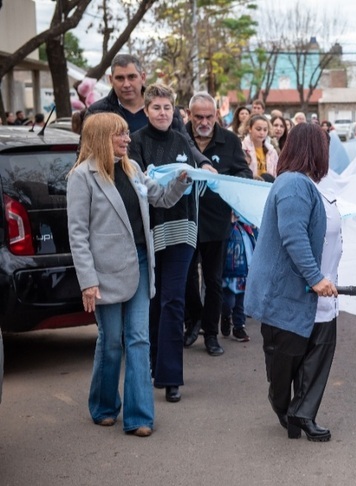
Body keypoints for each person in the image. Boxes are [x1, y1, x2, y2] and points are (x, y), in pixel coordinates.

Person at [66, 112, 190, 437]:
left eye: (126, 134)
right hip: (104, 272)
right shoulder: (82, 177)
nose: (127, 139)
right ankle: (104, 406)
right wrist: (88, 282)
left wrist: (181, 180)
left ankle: (139, 417)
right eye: (120, 135)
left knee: (138, 339)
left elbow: (161, 199)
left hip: (139, 262)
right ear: (102, 138)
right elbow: (77, 235)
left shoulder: (132, 169)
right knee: (111, 343)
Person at [244, 123, 342, 442]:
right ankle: (284, 405)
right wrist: (315, 278)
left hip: (322, 293)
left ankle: (303, 413)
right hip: (291, 292)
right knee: (284, 363)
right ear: (316, 149)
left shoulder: (313, 186)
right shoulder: (293, 184)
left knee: (318, 353)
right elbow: (293, 234)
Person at [128, 84, 205, 404]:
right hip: (150, 232)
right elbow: (136, 186)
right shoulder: (135, 143)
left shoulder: (182, 141)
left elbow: (198, 174)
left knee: (173, 299)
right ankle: (153, 363)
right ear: (146, 110)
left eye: (167, 108)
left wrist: (199, 172)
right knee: (154, 300)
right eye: (157, 107)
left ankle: (171, 377)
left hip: (183, 229)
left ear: (174, 111)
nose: (163, 113)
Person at [184, 92, 253, 356]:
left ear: (216, 116)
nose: (204, 121)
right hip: (184, 220)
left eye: (209, 116)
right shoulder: (180, 139)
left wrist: (226, 185)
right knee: (187, 279)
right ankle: (193, 321)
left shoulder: (230, 141)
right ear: (190, 115)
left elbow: (243, 173)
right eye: (198, 116)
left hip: (216, 222)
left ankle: (211, 335)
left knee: (213, 281)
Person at [221, 216, 257, 342]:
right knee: (229, 301)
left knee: (241, 303)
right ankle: (225, 316)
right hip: (230, 273)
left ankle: (239, 327)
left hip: (243, 273)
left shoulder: (246, 230)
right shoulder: (230, 228)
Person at [242, 114, 279, 179]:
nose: (262, 133)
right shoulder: (242, 148)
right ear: (250, 129)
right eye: (258, 129)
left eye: (265, 130)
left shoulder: (272, 151)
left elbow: (276, 174)